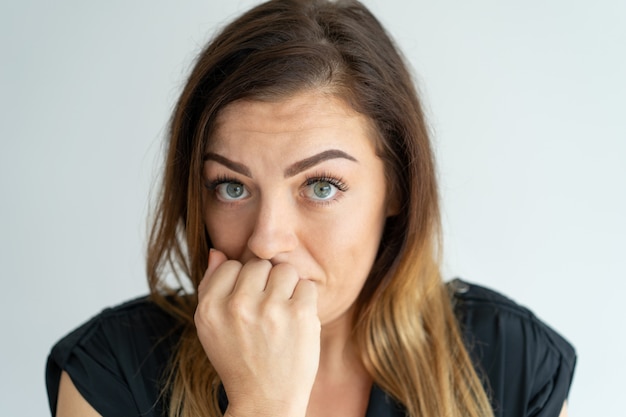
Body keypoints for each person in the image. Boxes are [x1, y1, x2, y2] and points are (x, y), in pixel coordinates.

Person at [46, 1, 576, 416]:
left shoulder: (515, 364)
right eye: (231, 187)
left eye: (321, 186)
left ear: (397, 189)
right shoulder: (113, 368)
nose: (266, 240)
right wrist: (262, 407)